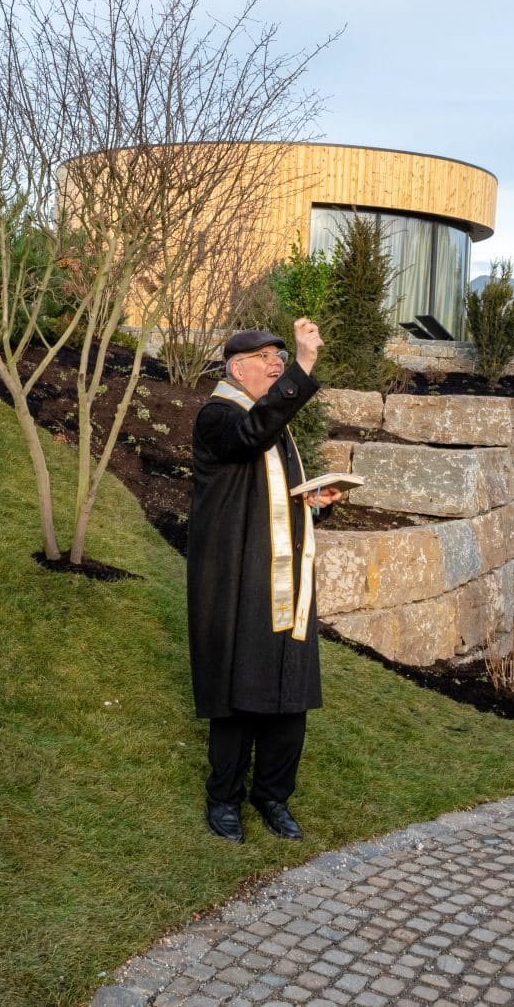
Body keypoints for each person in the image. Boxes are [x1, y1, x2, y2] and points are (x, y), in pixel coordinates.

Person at [186, 319, 343, 843]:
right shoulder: (219, 415)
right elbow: (248, 439)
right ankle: (224, 800)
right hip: (238, 580)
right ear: (237, 368)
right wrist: (303, 366)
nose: (277, 364)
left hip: (285, 577)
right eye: (268, 359)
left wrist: (313, 503)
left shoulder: (269, 420)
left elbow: (271, 495)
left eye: (282, 357)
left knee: (288, 691)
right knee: (238, 692)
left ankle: (273, 797)